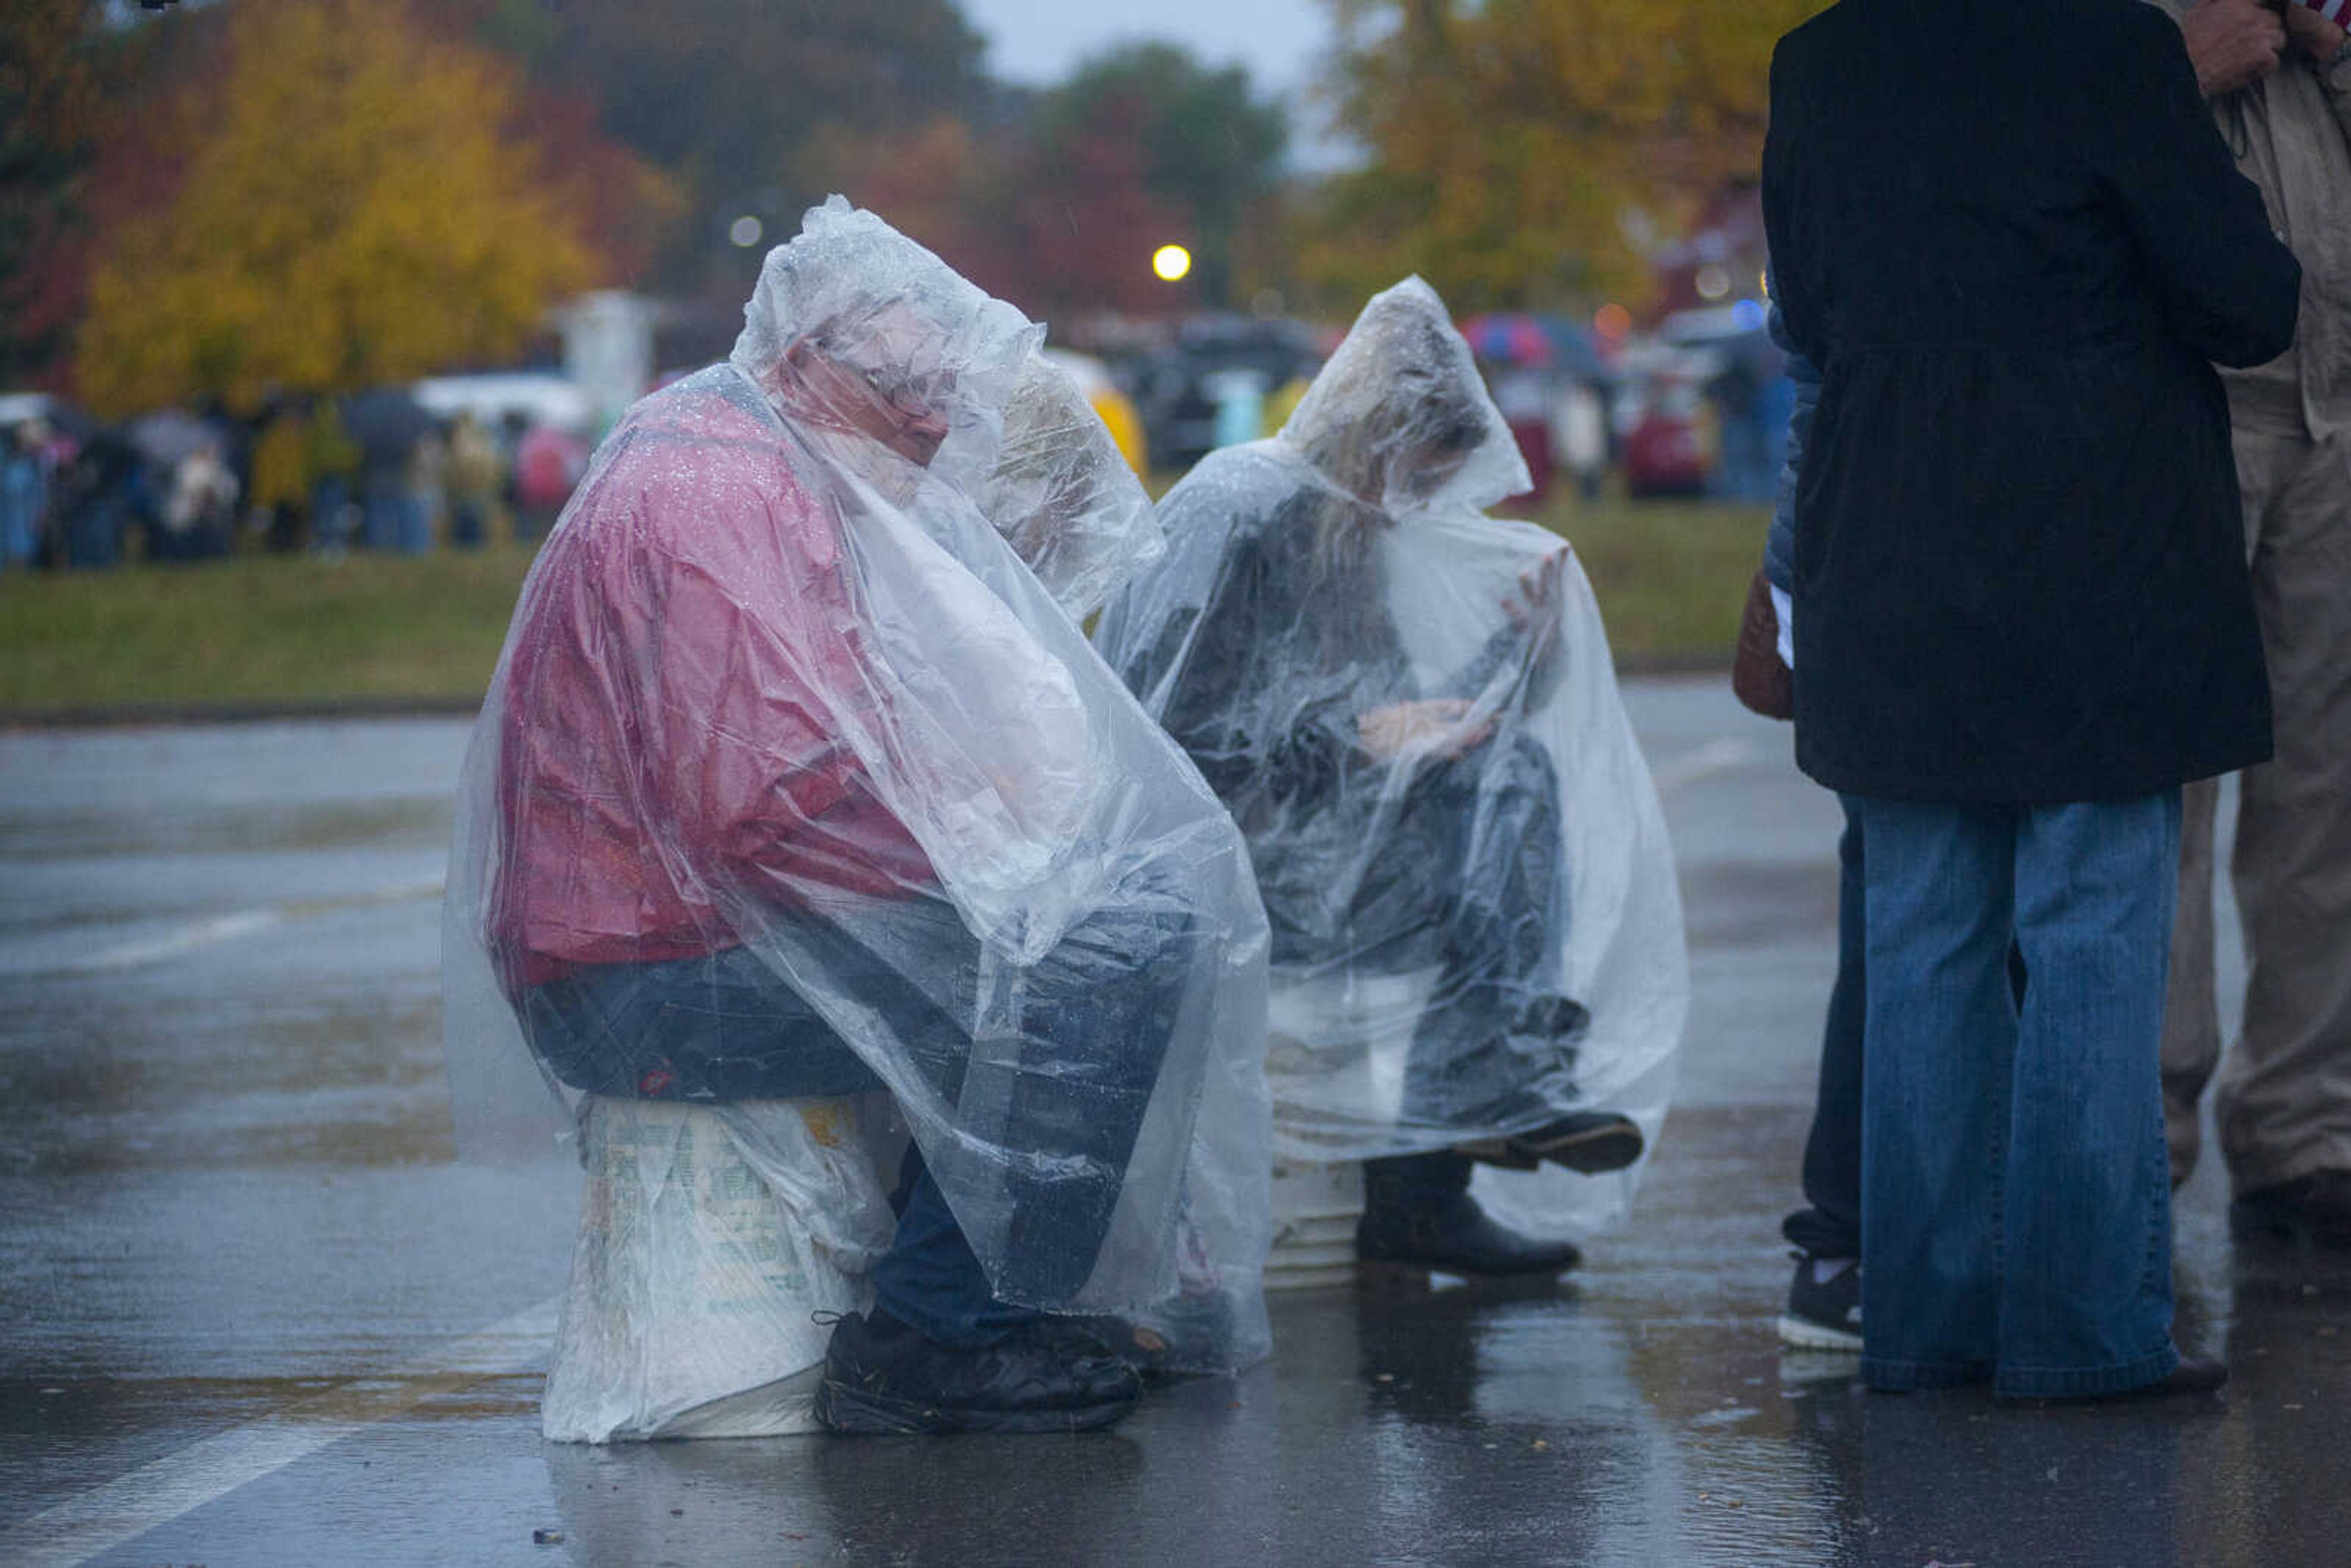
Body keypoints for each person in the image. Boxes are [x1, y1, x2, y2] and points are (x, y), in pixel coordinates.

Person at [443, 198, 1270, 1437]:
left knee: (1096, 931)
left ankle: (1004, 1303)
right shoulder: (722, 494)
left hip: (662, 941)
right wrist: (993, 866)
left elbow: (796, 769)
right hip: (650, 973)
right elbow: (765, 807)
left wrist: (989, 848)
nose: (938, 422)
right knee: (1110, 956)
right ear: (804, 361)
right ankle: (940, 1336)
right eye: (908, 390)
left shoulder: (742, 459)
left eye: (943, 390)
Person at [1763, 0, 2299, 1399]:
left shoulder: (1820, 58)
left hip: (1884, 560)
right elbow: (2251, 304)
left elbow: (1805, 315)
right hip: (2094, 575)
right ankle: (2085, 1335)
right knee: (2091, 949)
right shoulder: (2112, 49)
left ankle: (1926, 1326)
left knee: (1926, 951)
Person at [1098, 277, 1686, 1280]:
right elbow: (1167, 737)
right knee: (1494, 809)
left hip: (1322, 845)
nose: (1412, 504)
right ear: (1372, 438)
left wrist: (1517, 654)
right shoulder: (1239, 514)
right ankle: (1476, 1119)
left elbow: (1398, 728)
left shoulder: (1350, 538)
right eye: (1411, 476)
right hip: (1221, 867)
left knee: (1510, 771)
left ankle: (1471, 1129)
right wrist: (1353, 737)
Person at [2151, 0, 2351, 1246]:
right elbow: (2053, 151)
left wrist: (2332, 54)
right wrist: (2183, 67)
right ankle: (2145, 1137)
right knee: (2164, 793)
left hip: (2335, 415)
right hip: (2184, 419)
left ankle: (2302, 1133)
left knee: (2325, 794)